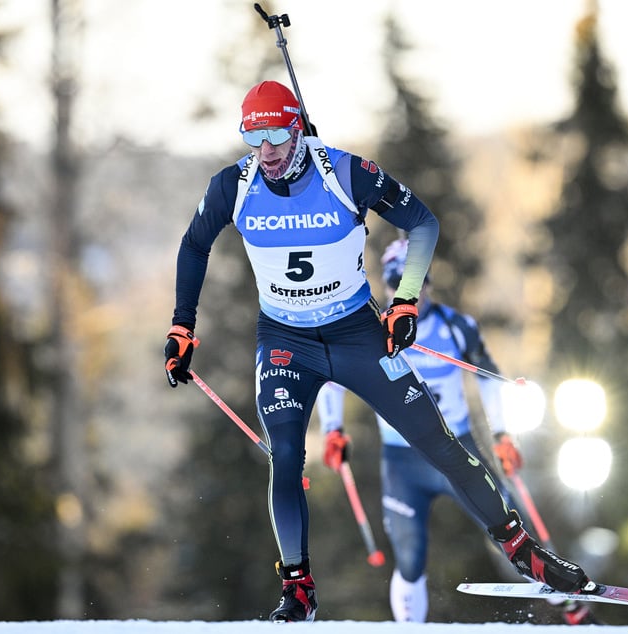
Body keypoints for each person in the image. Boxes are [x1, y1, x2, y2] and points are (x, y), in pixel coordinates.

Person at [163, 80, 595, 623]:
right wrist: (183, 327)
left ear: (297, 127)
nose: (267, 148)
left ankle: (522, 549)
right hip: (286, 343)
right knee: (286, 456)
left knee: (436, 440)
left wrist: (406, 301)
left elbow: (423, 223)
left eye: (277, 133)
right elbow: (194, 243)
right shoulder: (235, 185)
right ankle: (298, 589)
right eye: (255, 135)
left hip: (357, 335)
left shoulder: (344, 173)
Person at [317, 239, 599, 625]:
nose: (406, 294)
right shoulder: (369, 330)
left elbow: (488, 378)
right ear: (385, 286)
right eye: (396, 284)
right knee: (410, 558)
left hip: (457, 450)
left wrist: (502, 435)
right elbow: (332, 379)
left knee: (511, 533)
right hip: (403, 461)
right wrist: (333, 430)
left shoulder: (456, 326)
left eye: (413, 284)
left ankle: (571, 607)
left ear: (428, 283)